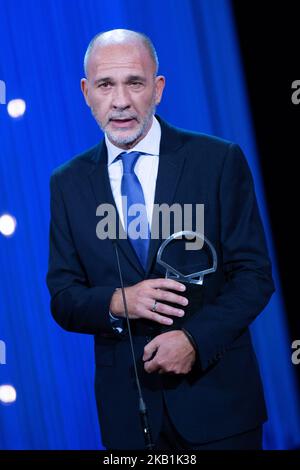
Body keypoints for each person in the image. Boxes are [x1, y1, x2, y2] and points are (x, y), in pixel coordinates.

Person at [46, 29, 275, 450]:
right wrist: (117, 302)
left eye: (134, 82)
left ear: (158, 88)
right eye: (105, 84)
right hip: (129, 418)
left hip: (219, 406)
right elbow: (63, 296)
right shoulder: (67, 183)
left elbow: (254, 276)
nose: (120, 101)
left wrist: (194, 340)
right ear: (85, 92)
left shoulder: (217, 160)